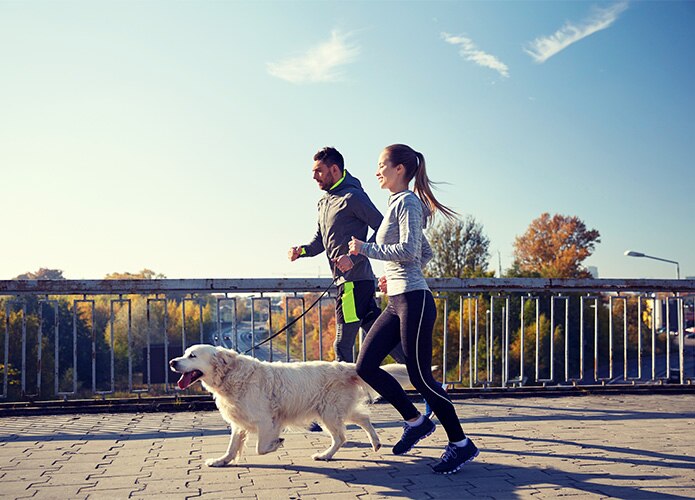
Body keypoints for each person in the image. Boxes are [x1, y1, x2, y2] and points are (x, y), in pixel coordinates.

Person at [348, 143, 479, 475]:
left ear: (400, 169)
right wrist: (392, 276)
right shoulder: (397, 203)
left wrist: (365, 249)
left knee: (421, 378)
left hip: (415, 301)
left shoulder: (408, 201)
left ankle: (461, 444)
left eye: (381, 165)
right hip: (398, 299)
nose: (377, 171)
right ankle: (416, 421)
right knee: (365, 366)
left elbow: (408, 249)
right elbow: (425, 252)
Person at [289, 146, 405, 364]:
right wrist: (301, 251)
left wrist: (353, 257)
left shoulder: (353, 197)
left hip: (353, 284)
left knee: (342, 346)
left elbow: (383, 228)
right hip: (351, 283)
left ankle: (353, 397)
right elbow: (319, 242)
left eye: (319, 171)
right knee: (383, 340)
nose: (314, 176)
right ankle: (429, 382)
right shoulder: (324, 202)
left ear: (334, 169)